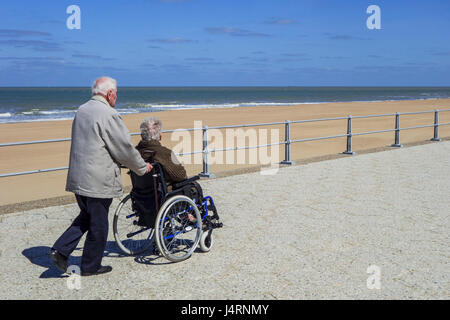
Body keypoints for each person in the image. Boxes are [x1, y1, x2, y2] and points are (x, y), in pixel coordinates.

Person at [49, 76, 152, 276]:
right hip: (97, 178)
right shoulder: (108, 114)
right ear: (109, 93)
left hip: (79, 176)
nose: (116, 97)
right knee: (99, 225)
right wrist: (141, 167)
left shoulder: (82, 110)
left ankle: (60, 251)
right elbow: (123, 148)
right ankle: (90, 266)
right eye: (116, 93)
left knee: (87, 216)